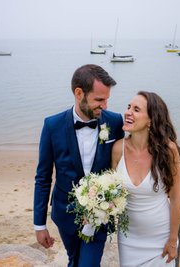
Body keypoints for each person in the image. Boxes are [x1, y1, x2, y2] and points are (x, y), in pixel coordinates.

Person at [34, 64, 124, 267]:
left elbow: (130, 154)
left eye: (107, 99)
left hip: (101, 214)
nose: (105, 106)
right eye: (99, 100)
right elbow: (43, 177)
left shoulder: (115, 122)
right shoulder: (52, 125)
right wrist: (39, 225)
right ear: (79, 93)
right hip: (65, 213)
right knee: (74, 259)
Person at [111, 91, 180, 267]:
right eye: (128, 107)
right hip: (128, 239)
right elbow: (111, 193)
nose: (128, 112)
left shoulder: (168, 150)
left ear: (151, 120)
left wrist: (173, 240)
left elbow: (175, 199)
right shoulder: (117, 149)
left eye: (136, 109)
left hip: (161, 239)